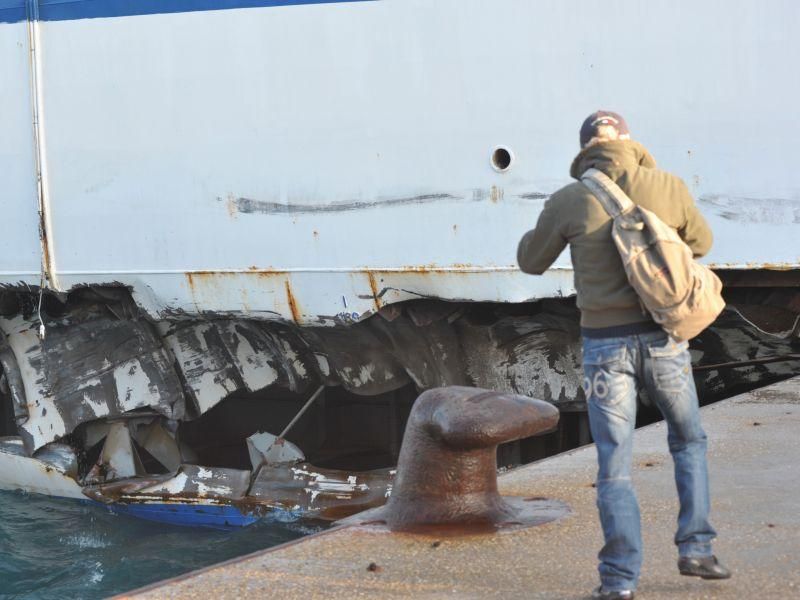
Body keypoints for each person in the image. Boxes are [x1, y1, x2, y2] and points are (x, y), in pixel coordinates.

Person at [517, 111, 731, 599]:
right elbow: (702, 242)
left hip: (604, 348)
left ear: (584, 149)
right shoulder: (668, 185)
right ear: (629, 142)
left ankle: (618, 582)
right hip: (664, 341)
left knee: (614, 463)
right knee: (688, 441)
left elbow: (532, 262)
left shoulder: (569, 199)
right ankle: (696, 550)